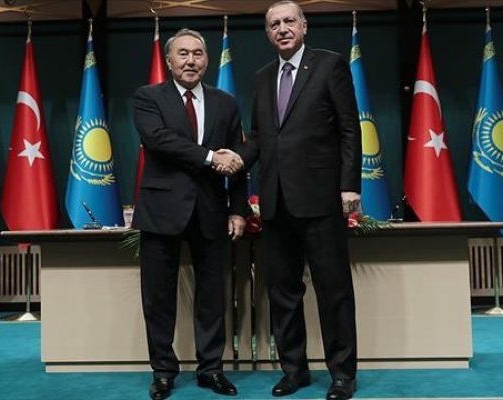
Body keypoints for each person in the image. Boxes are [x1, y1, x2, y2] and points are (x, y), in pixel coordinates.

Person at [235, 2, 362, 399]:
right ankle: (294, 371)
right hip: (275, 202)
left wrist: (349, 186)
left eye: (290, 21)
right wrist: (235, 157)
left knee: (333, 290)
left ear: (304, 26)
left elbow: (349, 128)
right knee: (283, 292)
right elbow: (260, 136)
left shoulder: (329, 65)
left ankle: (342, 374)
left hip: (321, 199)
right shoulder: (261, 77)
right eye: (274, 24)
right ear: (267, 33)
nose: (283, 28)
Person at [132, 28, 247, 400]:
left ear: (207, 60)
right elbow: (159, 140)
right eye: (182, 54)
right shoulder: (148, 97)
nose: (190, 60)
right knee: (158, 298)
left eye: (198, 53)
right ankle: (163, 372)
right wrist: (211, 157)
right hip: (161, 212)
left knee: (212, 297)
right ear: (169, 61)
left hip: (211, 212)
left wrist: (238, 209)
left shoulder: (225, 102)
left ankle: (210, 370)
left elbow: (238, 160)